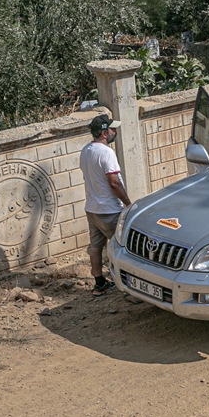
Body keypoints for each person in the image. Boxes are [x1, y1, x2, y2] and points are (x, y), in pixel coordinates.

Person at [80, 114, 132, 296]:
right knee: (123, 247)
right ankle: (128, 287)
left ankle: (99, 284)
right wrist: (127, 203)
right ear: (103, 132)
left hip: (92, 209)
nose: (115, 132)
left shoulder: (86, 150)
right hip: (110, 210)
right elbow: (114, 183)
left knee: (96, 246)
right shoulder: (106, 153)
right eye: (112, 129)